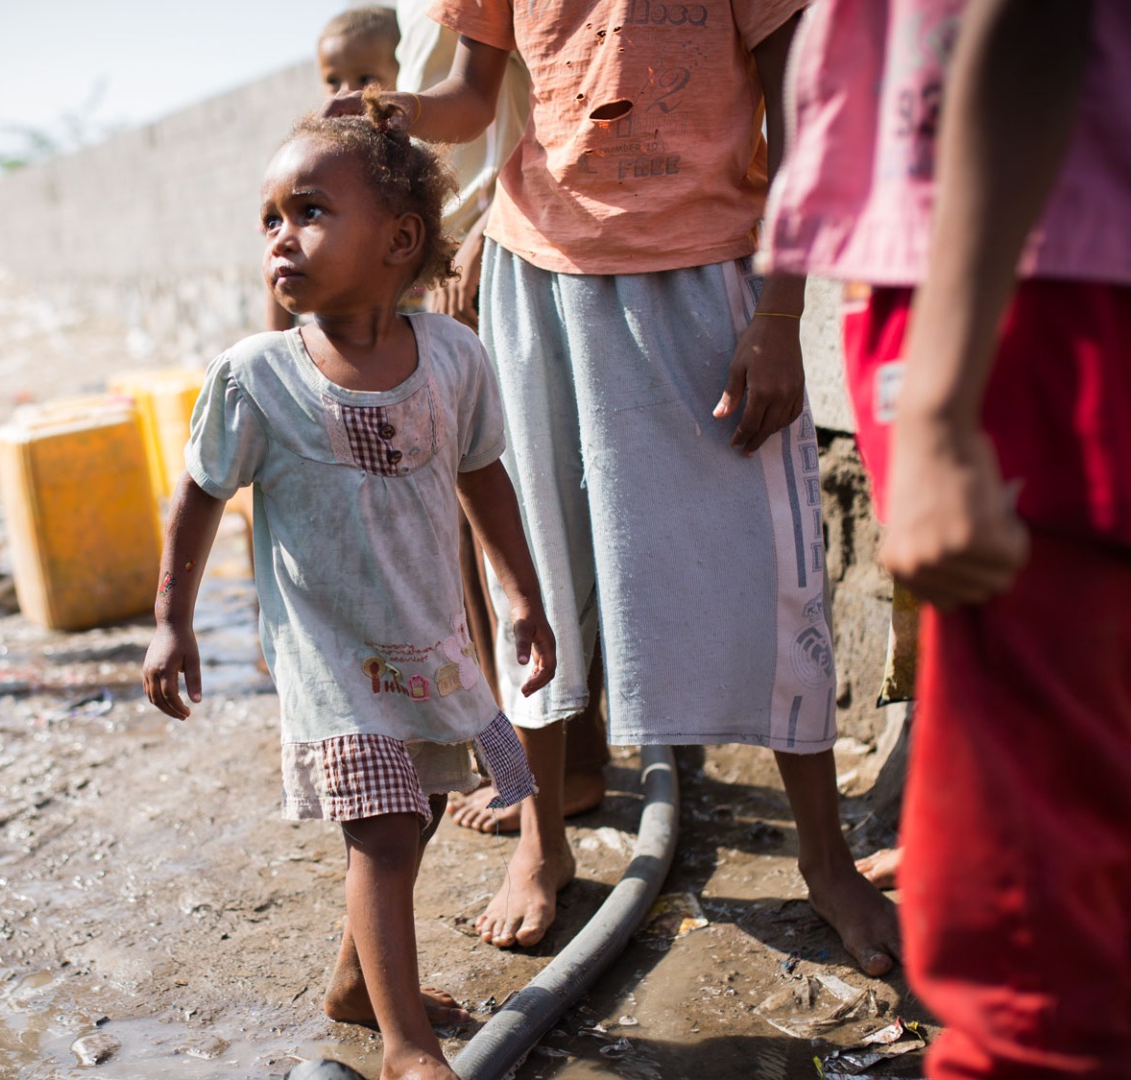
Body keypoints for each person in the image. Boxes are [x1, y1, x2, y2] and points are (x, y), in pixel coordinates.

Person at [327, 1, 902, 970]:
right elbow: (474, 98)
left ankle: (825, 858)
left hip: (703, 270)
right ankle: (544, 844)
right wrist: (399, 112)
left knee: (770, 571)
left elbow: (800, 111)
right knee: (541, 567)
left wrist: (781, 310)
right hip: (534, 270)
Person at [761, 0, 1131, 1074]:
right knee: (1094, 822)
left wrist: (946, 396)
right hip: (1118, 260)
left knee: (1008, 907)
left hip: (1027, 283)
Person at [143, 95, 554, 1080]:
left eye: (310, 212)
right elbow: (199, 494)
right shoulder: (258, 378)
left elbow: (483, 476)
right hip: (329, 652)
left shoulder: (453, 357)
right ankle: (408, 1048)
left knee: (410, 816)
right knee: (379, 828)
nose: (281, 238)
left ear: (400, 238)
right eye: (269, 220)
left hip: (422, 632)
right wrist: (170, 623)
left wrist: (524, 594)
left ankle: (354, 985)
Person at [391, 0, 609, 839]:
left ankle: (569, 767)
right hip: (440, 273)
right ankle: (516, 762)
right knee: (468, 547)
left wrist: (490, 225)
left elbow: (550, 104)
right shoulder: (423, 13)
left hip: (496, 262)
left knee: (517, 532)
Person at [265, 6, 405, 335]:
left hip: (406, 339)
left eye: (366, 79)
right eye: (332, 80)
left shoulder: (415, 163)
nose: (346, 92)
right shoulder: (314, 165)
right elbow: (277, 259)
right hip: (332, 341)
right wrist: (273, 348)